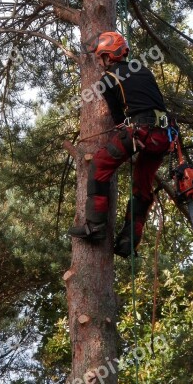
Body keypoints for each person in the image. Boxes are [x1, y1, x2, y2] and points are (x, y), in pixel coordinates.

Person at [68, 31, 170, 257]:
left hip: (140, 131)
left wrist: (125, 128)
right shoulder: (144, 70)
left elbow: (118, 119)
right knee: (143, 187)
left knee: (100, 166)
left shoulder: (107, 79)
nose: (99, 61)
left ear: (109, 56)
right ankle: (128, 242)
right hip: (163, 136)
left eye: (100, 57)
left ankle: (95, 227)